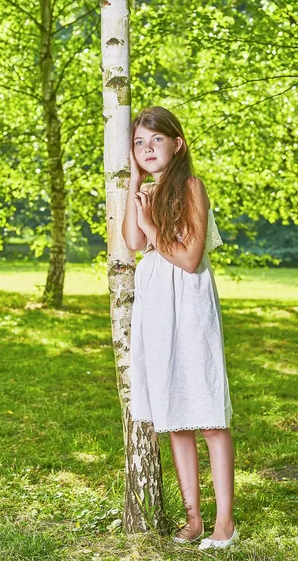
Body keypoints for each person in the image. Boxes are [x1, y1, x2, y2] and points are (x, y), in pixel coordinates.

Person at [122, 106, 238, 551]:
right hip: (156, 302)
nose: (147, 149)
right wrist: (134, 186)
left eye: (156, 140)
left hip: (187, 300)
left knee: (207, 411)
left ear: (178, 143)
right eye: (139, 143)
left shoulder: (191, 187)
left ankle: (224, 523)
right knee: (175, 415)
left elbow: (189, 258)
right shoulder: (147, 187)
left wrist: (151, 225)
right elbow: (134, 244)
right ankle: (193, 520)